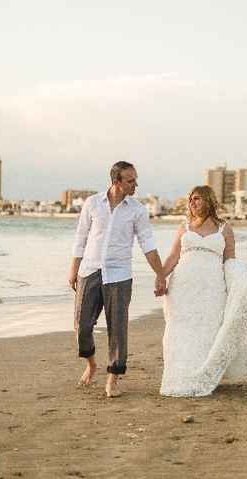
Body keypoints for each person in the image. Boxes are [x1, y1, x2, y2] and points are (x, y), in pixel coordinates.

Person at [68, 161, 166, 398]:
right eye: (130, 180)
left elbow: (148, 245)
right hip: (89, 271)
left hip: (120, 275)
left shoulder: (137, 210)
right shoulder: (92, 203)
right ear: (116, 181)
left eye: (135, 179)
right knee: (82, 326)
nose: (135, 185)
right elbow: (81, 237)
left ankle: (113, 376)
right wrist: (74, 269)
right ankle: (91, 364)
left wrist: (160, 274)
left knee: (118, 330)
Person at [159, 185, 247, 397]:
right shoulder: (184, 227)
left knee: (207, 329)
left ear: (209, 201)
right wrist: (160, 277)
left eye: (197, 199)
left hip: (212, 287)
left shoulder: (224, 229)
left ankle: (202, 374)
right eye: (191, 199)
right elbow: (173, 257)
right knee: (180, 330)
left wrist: (245, 279)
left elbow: (230, 261)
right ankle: (179, 375)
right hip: (182, 286)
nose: (193, 203)